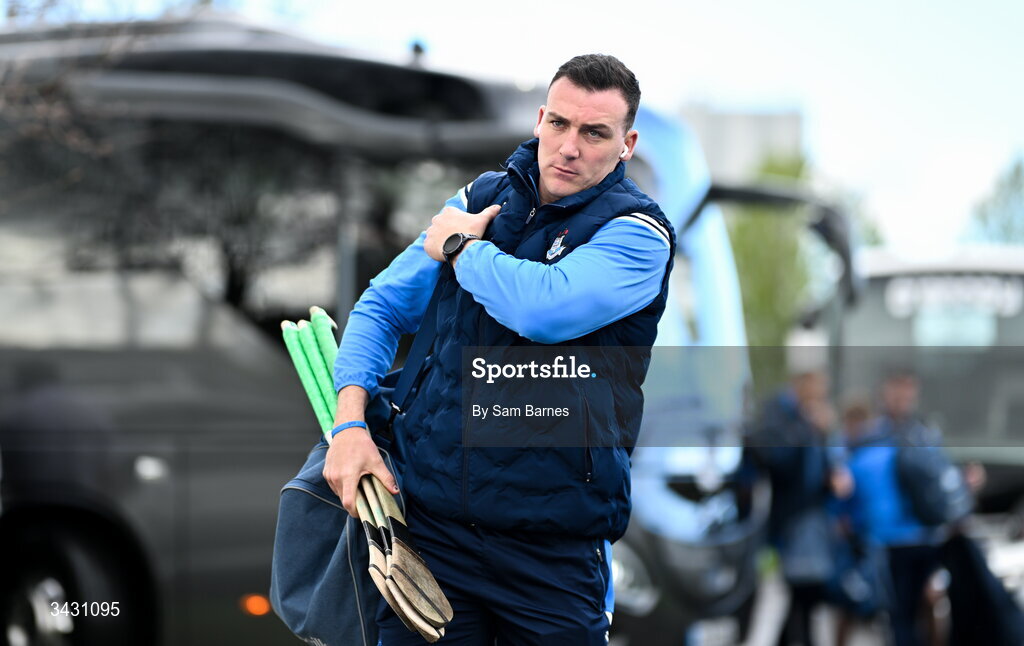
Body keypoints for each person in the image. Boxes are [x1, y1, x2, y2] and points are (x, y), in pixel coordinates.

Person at [324, 54, 675, 645]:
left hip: (552, 555)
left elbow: (543, 308)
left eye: (595, 133)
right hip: (431, 534)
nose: (569, 147)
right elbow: (380, 307)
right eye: (559, 124)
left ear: (626, 143)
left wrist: (461, 247)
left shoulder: (638, 233)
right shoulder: (480, 196)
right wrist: (350, 424)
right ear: (540, 119)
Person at [752, 369, 852, 646]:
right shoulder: (780, 414)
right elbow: (776, 460)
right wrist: (809, 428)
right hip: (793, 521)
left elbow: (819, 468)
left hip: (813, 518)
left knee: (805, 595)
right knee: (803, 592)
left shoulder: (806, 419)